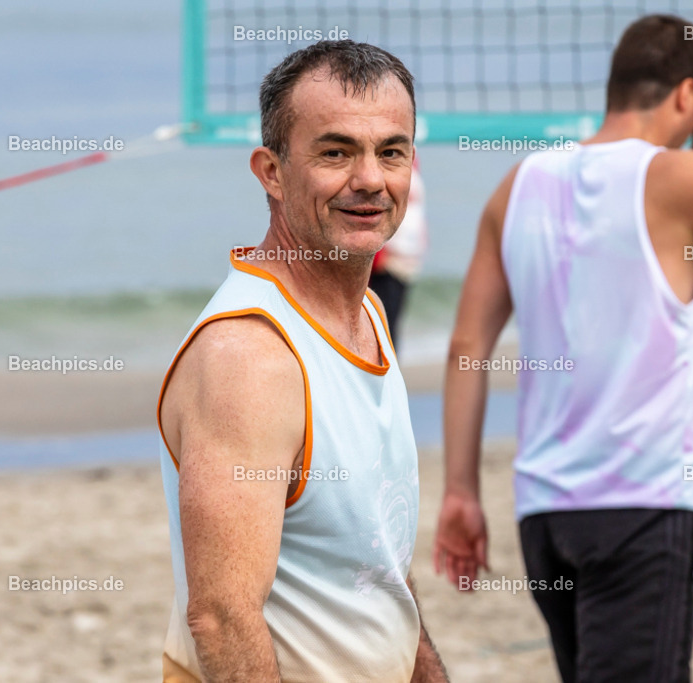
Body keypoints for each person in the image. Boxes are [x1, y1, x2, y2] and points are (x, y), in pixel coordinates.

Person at [432, 14, 693, 683]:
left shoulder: (517, 185)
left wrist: (460, 491)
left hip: (544, 515)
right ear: (687, 94)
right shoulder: (676, 177)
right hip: (641, 504)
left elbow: (467, 347)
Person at [157, 40, 448, 682]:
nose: (370, 179)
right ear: (271, 171)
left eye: (391, 152)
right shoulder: (249, 357)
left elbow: (379, 563)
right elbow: (222, 619)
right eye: (335, 152)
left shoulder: (367, 314)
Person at [369, 153, 429, 344]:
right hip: (390, 259)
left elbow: (416, 210)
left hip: (406, 258)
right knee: (383, 322)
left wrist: (422, 240)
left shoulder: (412, 170)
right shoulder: (385, 169)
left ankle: (389, 360)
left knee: (391, 321)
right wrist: (378, 254)